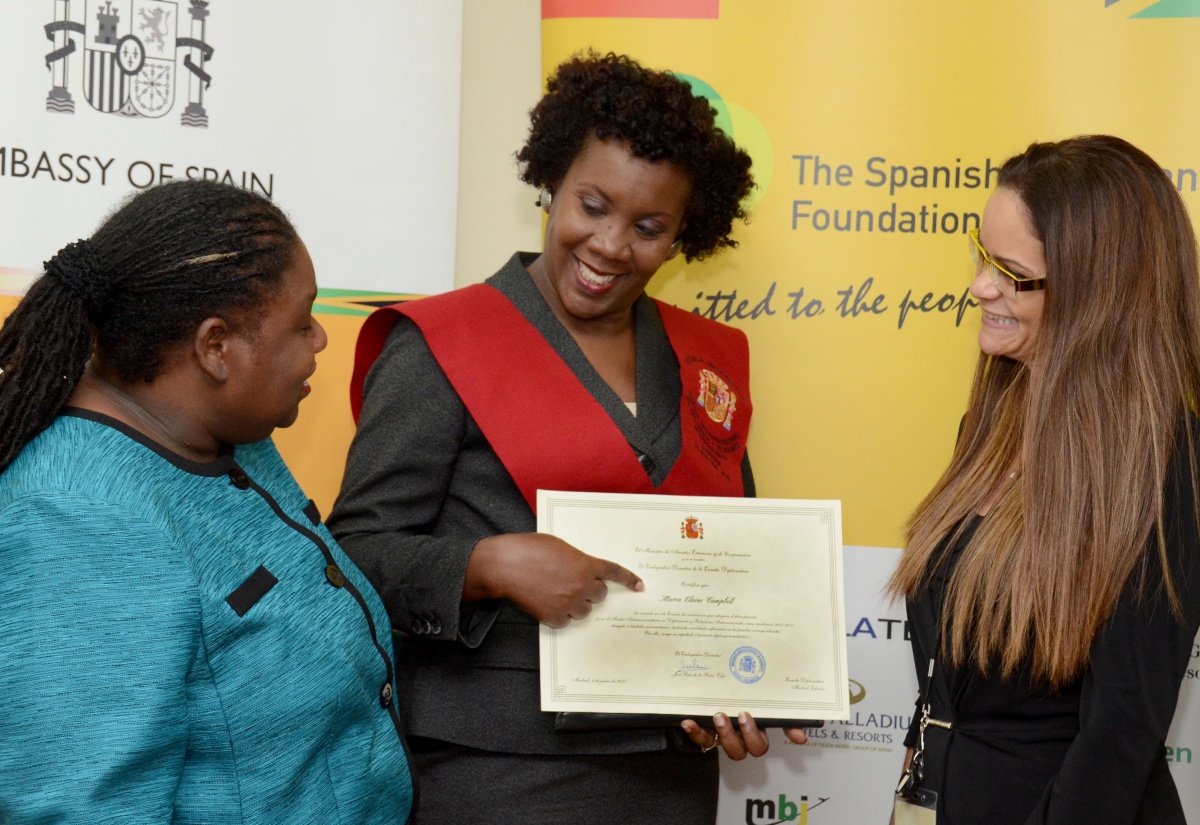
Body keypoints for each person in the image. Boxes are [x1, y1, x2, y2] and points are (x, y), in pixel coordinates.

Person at [329, 52, 803, 824]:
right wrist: (487, 563)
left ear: (685, 236)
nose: (612, 245)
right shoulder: (443, 341)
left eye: (649, 227)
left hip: (666, 767)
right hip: (496, 765)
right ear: (551, 184)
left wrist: (739, 683)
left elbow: (724, 551)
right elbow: (353, 551)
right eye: (592, 205)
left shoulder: (706, 361)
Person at [0, 180, 414, 823]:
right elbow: (81, 806)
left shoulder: (225, 430)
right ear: (215, 347)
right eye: (302, 322)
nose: (320, 342)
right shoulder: (78, 520)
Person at [887, 135, 1200, 824]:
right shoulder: (990, 420)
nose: (979, 286)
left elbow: (1118, 736)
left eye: (1011, 272)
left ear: (1099, 292)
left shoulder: (1166, 461)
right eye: (981, 255)